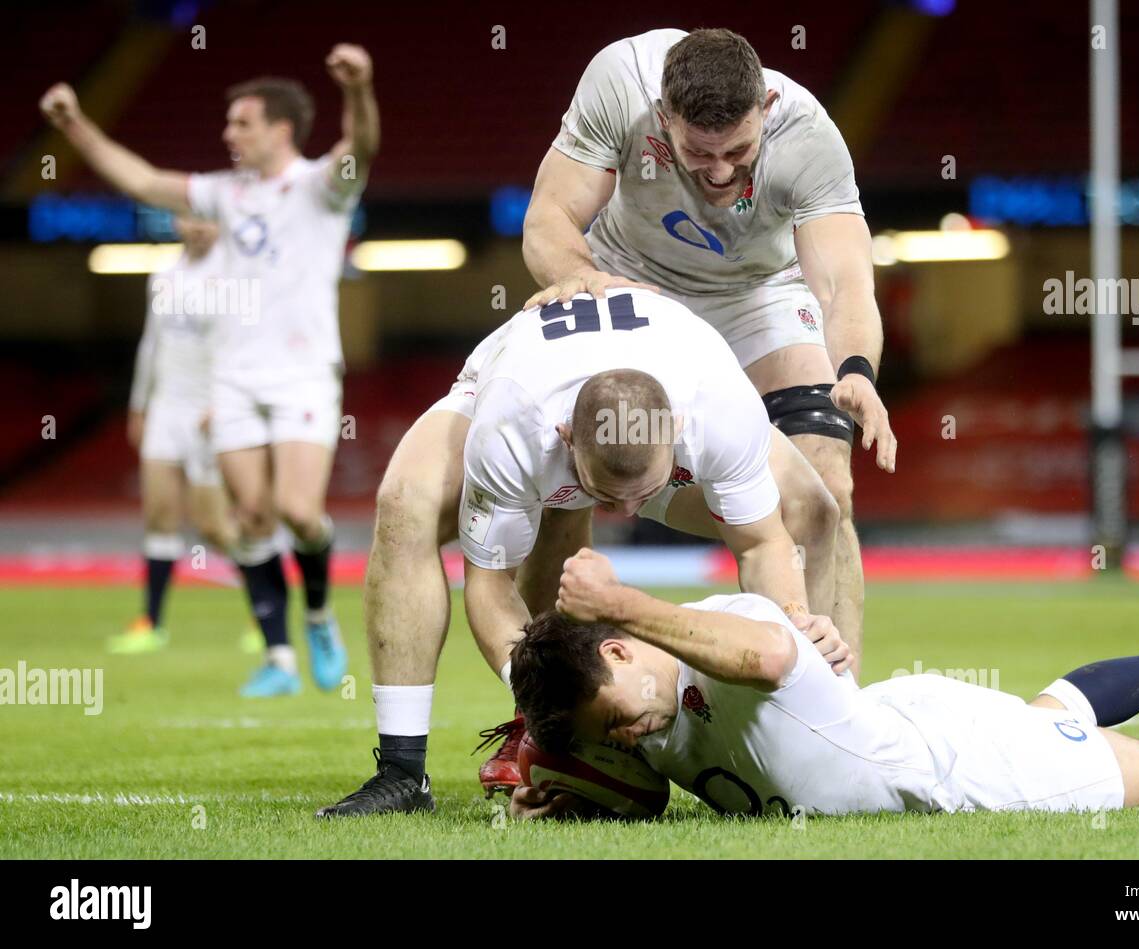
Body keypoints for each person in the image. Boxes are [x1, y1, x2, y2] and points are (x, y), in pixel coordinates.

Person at [316, 287, 848, 817]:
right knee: (405, 502)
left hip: (657, 397)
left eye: (642, 494)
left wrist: (795, 626)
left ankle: (824, 717)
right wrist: (548, 703)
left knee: (811, 510)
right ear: (566, 438)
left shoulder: (719, 407)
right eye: (607, 494)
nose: (624, 510)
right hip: (513, 377)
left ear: (679, 432)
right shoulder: (514, 424)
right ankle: (402, 772)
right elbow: (489, 579)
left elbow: (761, 544)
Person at [523, 28, 898, 676]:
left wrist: (857, 371)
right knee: (572, 484)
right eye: (700, 152)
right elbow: (547, 220)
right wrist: (582, 279)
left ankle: (836, 705)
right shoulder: (619, 80)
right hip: (631, 279)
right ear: (662, 117)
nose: (722, 172)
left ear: (768, 108)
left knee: (827, 483)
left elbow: (844, 282)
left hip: (760, 292)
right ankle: (552, 703)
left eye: (740, 150)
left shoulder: (808, 135)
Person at [41, 44, 379, 696]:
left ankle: (316, 615)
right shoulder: (222, 195)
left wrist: (359, 87)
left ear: (280, 129)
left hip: (303, 371)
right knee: (250, 517)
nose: (228, 133)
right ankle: (279, 656)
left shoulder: (317, 187)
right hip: (233, 377)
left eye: (242, 122)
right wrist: (72, 124)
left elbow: (360, 146)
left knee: (298, 512)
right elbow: (142, 181)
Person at [508, 549, 1139, 820]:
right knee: (1048, 714)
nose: (621, 737)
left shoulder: (724, 624)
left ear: (620, 649)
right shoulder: (636, 709)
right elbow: (633, 790)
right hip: (897, 720)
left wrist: (620, 598)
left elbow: (768, 659)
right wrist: (560, 787)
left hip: (951, 768)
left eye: (610, 717)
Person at [109, 215, 239, 654]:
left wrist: (223, 403)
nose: (199, 227)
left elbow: (241, 347)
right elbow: (151, 343)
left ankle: (267, 612)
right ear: (177, 223)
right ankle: (152, 622)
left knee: (213, 526)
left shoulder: (233, 277)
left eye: (208, 219)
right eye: (191, 218)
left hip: (208, 413)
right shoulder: (164, 276)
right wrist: (139, 404)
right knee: (159, 517)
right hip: (166, 408)